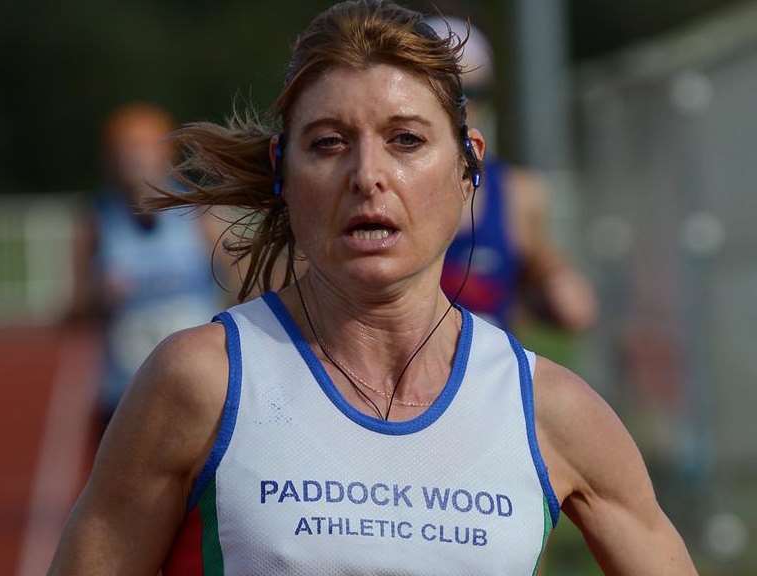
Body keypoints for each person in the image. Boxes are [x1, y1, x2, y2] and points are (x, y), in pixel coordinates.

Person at [50, 2, 697, 574]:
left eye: (406, 140)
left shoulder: (551, 411)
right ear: (283, 169)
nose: (368, 174)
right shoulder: (202, 382)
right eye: (329, 143)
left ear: (469, 163)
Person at [428, 17, 597, 332]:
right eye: (447, 92)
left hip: (485, 375)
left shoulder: (518, 193)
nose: (462, 108)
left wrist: (553, 279)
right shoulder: (380, 187)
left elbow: (561, 295)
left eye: (473, 93)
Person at [72, 102, 222, 433]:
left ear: (165, 154)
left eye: (141, 148)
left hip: (196, 390)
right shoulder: (96, 220)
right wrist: (99, 295)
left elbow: (239, 290)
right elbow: (74, 308)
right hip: (124, 392)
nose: (133, 159)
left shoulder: (198, 214)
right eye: (124, 149)